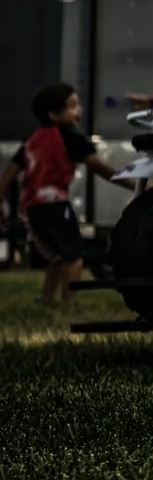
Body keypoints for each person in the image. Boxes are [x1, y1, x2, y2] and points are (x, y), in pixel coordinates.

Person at [0, 83, 97, 311]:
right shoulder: (72, 139)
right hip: (56, 204)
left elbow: (8, 174)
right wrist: (134, 181)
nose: (79, 110)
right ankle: (69, 302)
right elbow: (101, 168)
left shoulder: (32, 141)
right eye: (72, 106)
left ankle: (46, 299)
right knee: (74, 255)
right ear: (53, 114)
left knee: (55, 256)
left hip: (32, 208)